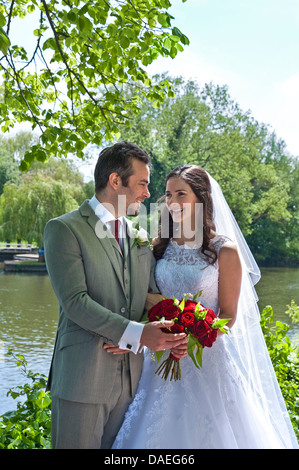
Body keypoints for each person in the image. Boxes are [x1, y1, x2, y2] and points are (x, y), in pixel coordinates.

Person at [109, 165, 298, 449]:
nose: (172, 202)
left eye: (181, 194)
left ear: (202, 198)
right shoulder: (158, 246)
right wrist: (132, 336)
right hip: (158, 356)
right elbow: (145, 299)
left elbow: (229, 315)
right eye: (168, 194)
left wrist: (195, 336)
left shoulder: (225, 250)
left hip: (207, 360)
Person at [43, 142, 187, 449]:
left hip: (132, 385)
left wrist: (172, 332)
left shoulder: (140, 237)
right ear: (115, 181)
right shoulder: (64, 229)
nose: (148, 193)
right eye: (142, 184)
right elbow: (74, 302)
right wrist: (135, 333)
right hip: (83, 380)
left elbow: (152, 299)